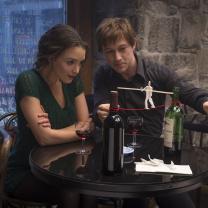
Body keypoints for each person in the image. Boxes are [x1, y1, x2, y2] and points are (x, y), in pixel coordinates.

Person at [94, 17, 208, 208]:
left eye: (122, 48)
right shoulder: (103, 74)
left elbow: (187, 91)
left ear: (133, 44)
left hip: (154, 157)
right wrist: (101, 112)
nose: (117, 57)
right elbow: (100, 108)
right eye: (109, 52)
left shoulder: (156, 72)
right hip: (119, 154)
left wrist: (205, 102)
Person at [5, 24, 95, 208]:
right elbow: (44, 138)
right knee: (70, 192)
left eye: (80, 63)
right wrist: (78, 130)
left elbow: (85, 124)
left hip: (66, 168)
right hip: (27, 171)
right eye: (70, 62)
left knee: (89, 188)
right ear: (51, 57)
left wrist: (57, 132)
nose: (77, 70)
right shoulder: (28, 80)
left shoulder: (73, 81)